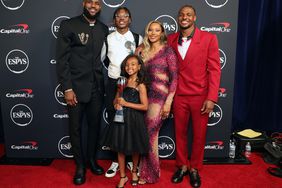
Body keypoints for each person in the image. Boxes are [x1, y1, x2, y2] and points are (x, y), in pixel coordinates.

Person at [56, 0, 108, 185]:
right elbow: (62, 61)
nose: (93, 5)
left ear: (100, 6)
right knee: (76, 129)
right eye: (90, 2)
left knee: (94, 127)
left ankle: (91, 160)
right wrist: (67, 89)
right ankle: (79, 166)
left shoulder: (103, 28)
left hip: (96, 88)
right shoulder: (69, 25)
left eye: (97, 2)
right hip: (75, 89)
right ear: (84, 4)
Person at [168, 5, 221, 188]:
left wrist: (212, 97)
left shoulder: (209, 38)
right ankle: (182, 166)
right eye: (181, 14)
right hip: (179, 96)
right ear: (178, 17)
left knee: (199, 135)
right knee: (179, 133)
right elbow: (154, 50)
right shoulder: (170, 39)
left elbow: (214, 70)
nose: (184, 17)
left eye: (188, 14)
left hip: (200, 96)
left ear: (195, 18)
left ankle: (195, 168)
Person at [101, 7, 143, 178]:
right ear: (114, 20)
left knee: (131, 122)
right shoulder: (108, 38)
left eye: (125, 16)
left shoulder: (137, 38)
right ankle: (117, 161)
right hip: (114, 83)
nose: (122, 18)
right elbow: (102, 59)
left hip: (132, 85)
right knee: (115, 121)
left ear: (130, 19)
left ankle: (131, 160)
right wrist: (114, 74)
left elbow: (141, 60)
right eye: (118, 16)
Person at [138, 20, 178, 184]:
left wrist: (169, 102)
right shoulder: (142, 50)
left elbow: (175, 79)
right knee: (145, 134)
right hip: (144, 98)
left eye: (157, 30)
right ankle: (144, 169)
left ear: (162, 33)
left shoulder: (168, 50)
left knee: (150, 134)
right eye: (150, 30)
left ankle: (152, 173)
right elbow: (134, 72)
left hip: (160, 99)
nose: (153, 33)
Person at [103, 54, 150, 188]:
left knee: (135, 148)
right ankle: (123, 176)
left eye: (133, 64)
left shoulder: (140, 85)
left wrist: (126, 103)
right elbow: (116, 99)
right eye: (127, 65)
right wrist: (116, 104)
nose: (130, 67)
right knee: (120, 149)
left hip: (135, 120)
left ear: (139, 67)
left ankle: (134, 172)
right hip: (120, 120)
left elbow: (145, 106)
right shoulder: (121, 81)